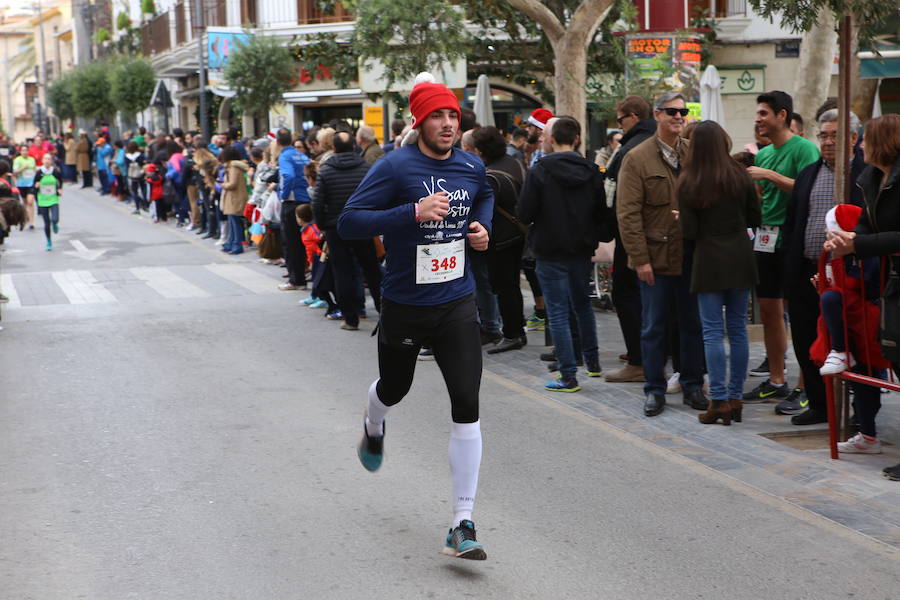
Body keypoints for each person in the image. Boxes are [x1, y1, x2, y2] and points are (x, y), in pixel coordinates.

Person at [338, 76, 494, 559]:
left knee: (466, 399)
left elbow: (485, 194)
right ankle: (374, 420)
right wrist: (412, 211)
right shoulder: (394, 167)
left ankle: (461, 522)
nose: (447, 123)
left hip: (456, 302)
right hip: (406, 304)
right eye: (437, 116)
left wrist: (480, 227)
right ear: (419, 121)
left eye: (452, 115)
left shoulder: (471, 165)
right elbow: (349, 221)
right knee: (395, 388)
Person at [617, 91, 708, 417]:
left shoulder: (692, 154)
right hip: (654, 257)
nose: (678, 117)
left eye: (683, 111)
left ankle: (693, 385)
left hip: (690, 254)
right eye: (671, 111)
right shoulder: (637, 158)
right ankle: (654, 389)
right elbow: (627, 214)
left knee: (692, 324)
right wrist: (640, 259)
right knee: (654, 326)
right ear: (656, 115)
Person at [824, 114, 900, 474]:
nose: (859, 146)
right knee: (894, 353)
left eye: (865, 139)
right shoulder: (870, 178)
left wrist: (859, 243)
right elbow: (866, 228)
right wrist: (846, 243)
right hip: (892, 281)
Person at [677, 121, 760, 425]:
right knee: (737, 329)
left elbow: (689, 231)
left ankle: (719, 400)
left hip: (708, 260)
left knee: (712, 332)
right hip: (740, 255)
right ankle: (736, 399)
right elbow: (755, 217)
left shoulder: (689, 181)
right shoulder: (740, 175)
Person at [518, 116, 608, 391]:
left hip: (550, 248)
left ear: (553, 139)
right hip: (581, 248)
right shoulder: (593, 170)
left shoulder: (540, 170)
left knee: (557, 312)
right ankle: (592, 363)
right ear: (577, 139)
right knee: (582, 306)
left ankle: (568, 375)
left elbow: (524, 212)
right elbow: (600, 212)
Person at [743, 91, 821, 404]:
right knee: (769, 311)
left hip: (793, 238)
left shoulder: (804, 149)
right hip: (764, 237)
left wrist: (769, 176)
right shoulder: (762, 154)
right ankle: (776, 380)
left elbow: (808, 190)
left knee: (801, 312)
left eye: (763, 113)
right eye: (758, 114)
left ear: (782, 115)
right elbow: (763, 197)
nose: (758, 119)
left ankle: (805, 385)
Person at [603, 95, 657, 383]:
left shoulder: (631, 150)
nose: (619, 125)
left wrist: (609, 229)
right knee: (654, 298)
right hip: (661, 235)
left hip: (633, 235)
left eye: (620, 119)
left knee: (627, 295)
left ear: (633, 117)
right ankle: (649, 355)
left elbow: (622, 203)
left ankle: (639, 360)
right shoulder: (658, 142)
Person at [311, 130, 381, 330]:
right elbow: (376, 197)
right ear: (354, 147)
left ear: (333, 149)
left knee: (342, 272)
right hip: (363, 225)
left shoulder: (325, 171)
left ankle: (350, 318)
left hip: (336, 228)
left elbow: (317, 203)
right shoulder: (366, 169)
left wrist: (323, 225)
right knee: (371, 271)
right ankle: (383, 313)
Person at [470, 126, 528, 354]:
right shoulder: (513, 162)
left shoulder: (491, 175)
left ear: (482, 149)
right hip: (516, 236)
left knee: (504, 287)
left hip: (501, 240)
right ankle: (516, 330)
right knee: (510, 286)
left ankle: (513, 334)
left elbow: (486, 210)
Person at [277, 128, 311, 290]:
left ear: (277, 143)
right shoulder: (301, 155)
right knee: (303, 242)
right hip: (305, 200)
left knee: (291, 243)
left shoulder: (284, 156)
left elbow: (288, 176)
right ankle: (301, 277)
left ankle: (295, 280)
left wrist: (283, 195)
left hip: (291, 203)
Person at [220, 145, 250, 255]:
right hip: (235, 197)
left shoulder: (233, 167)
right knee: (233, 221)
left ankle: (236, 245)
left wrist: (223, 184)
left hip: (234, 198)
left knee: (235, 222)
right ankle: (231, 243)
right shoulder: (233, 167)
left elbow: (232, 184)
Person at [34, 152, 63, 251]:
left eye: (49, 159)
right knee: (46, 223)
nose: (47, 161)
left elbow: (60, 181)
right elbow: (34, 185)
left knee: (54, 218)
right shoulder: (39, 172)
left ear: (51, 161)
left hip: (53, 198)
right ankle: (49, 241)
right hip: (43, 200)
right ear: (42, 161)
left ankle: (55, 223)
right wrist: (36, 186)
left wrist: (59, 189)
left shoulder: (55, 172)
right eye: (45, 159)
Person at [12, 145, 37, 230]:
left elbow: (34, 170)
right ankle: (26, 216)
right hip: (21, 184)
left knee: (30, 202)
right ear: (20, 151)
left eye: (26, 150)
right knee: (25, 202)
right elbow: (14, 172)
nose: (25, 152)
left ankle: (32, 222)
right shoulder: (17, 160)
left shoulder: (32, 159)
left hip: (31, 184)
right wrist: (23, 168)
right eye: (23, 150)